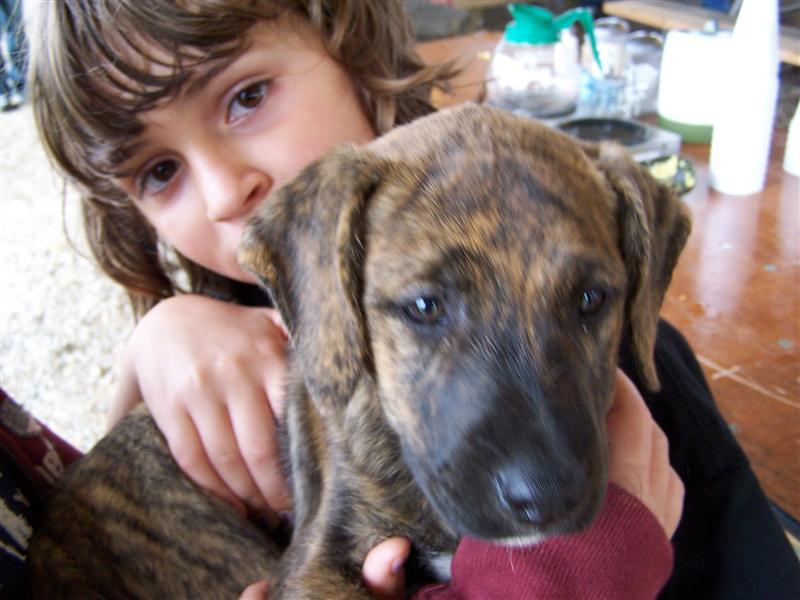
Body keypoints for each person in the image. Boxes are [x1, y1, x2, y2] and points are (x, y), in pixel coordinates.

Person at [24, 0, 799, 598]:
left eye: (248, 95)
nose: (227, 192)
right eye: (159, 171)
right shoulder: (254, 336)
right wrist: (147, 344)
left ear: (354, 51)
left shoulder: (647, 367)